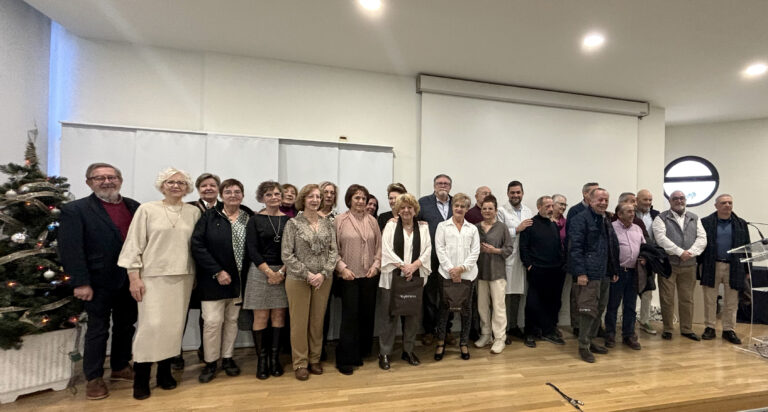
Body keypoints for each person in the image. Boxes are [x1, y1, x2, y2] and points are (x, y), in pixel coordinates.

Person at [59, 162, 140, 400]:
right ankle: (93, 377)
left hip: (129, 280)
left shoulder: (134, 207)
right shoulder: (76, 210)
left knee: (126, 325)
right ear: (89, 182)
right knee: (97, 329)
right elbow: (70, 249)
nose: (106, 182)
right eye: (99, 178)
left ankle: (120, 366)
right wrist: (80, 282)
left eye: (111, 177)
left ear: (120, 180)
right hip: (96, 282)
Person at [118, 167, 201, 400]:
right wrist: (134, 277)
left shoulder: (193, 212)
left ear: (187, 187)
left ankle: (165, 373)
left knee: (174, 328)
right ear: (162, 185)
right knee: (151, 327)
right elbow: (133, 245)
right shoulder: (147, 210)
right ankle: (141, 378)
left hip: (183, 277)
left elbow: (196, 247)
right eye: (170, 182)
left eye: (181, 183)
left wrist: (194, 275)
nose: (176, 186)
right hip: (152, 278)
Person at [191, 179, 254, 383]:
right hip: (213, 280)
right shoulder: (209, 216)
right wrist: (217, 271)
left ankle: (227, 358)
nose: (233, 195)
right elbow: (197, 245)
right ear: (221, 194)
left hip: (239, 281)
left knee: (232, 321)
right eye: (228, 191)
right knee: (211, 322)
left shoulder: (248, 216)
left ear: (242, 195)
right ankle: (211, 362)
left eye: (237, 191)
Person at [281, 184, 338, 381]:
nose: (315, 200)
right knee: (298, 323)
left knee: (317, 321)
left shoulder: (328, 224)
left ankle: (315, 359)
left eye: (318, 197)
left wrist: (323, 273)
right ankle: (300, 362)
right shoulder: (293, 224)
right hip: (298, 279)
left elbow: (334, 252)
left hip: (323, 279)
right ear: (303, 200)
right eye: (311, 197)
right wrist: (307, 274)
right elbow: (287, 255)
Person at [172, 172, 221, 370]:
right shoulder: (188, 208)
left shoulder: (224, 209)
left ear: (218, 189)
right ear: (198, 189)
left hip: (214, 270)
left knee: (208, 315)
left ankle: (206, 350)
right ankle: (175, 352)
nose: (208, 189)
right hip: (189, 267)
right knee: (180, 313)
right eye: (204, 186)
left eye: (212, 185)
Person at [244, 181, 291, 379]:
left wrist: (281, 272)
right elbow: (252, 249)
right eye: (269, 194)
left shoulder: (289, 221)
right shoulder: (254, 220)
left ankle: (274, 359)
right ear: (262, 197)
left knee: (278, 316)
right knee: (261, 317)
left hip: (283, 271)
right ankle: (262, 361)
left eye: (277, 194)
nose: (274, 197)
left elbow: (293, 249)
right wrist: (268, 272)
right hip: (259, 271)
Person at [378, 194, 431, 369]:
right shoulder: (391, 225)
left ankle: (408, 350)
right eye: (402, 207)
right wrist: (403, 267)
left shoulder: (423, 228)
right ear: (397, 210)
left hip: (414, 277)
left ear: (415, 209)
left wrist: (414, 267)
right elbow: (386, 249)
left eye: (409, 207)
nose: (406, 210)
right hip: (392, 277)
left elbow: (427, 250)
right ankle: (384, 352)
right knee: (389, 316)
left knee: (412, 316)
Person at [334, 184, 382, 375]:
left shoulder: (372, 221)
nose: (361, 201)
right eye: (357, 198)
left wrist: (376, 265)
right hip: (349, 276)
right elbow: (333, 248)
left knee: (366, 315)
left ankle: (360, 353)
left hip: (369, 275)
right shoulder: (340, 220)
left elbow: (379, 247)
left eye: (363, 198)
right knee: (349, 317)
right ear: (349, 200)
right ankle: (345, 359)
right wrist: (342, 268)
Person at [569, 188, 619, 363]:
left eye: (606, 200)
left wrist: (613, 270)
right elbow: (574, 249)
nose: (603, 203)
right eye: (600, 200)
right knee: (587, 310)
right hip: (589, 273)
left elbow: (611, 246)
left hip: (604, 272)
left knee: (600, 308)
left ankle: (590, 341)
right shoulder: (579, 220)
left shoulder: (606, 219)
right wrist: (580, 272)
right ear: (590, 200)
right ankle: (583, 346)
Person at [652, 190, 707, 341]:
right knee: (667, 298)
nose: (679, 201)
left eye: (681, 198)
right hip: (668, 265)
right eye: (675, 198)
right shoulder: (661, 218)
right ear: (670, 201)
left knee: (687, 298)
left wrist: (690, 252)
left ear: (685, 200)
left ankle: (687, 329)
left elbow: (702, 238)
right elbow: (661, 239)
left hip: (689, 265)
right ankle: (668, 328)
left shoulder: (694, 218)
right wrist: (679, 252)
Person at [434, 193, 480, 361]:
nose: (459, 209)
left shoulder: (472, 229)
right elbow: (440, 249)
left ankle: (463, 342)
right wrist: (451, 270)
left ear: (467, 209)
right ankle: (440, 342)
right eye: (456, 206)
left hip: (468, 275)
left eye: (463, 206)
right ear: (452, 207)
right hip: (445, 274)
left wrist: (461, 269)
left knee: (466, 310)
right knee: (445, 309)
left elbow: (475, 252)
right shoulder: (442, 226)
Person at [699, 194, 750, 344]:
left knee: (732, 301)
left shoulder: (741, 223)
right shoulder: (706, 222)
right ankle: (710, 327)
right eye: (723, 203)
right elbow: (700, 245)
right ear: (716, 206)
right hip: (711, 265)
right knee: (710, 299)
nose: (727, 205)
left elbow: (747, 248)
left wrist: (747, 270)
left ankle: (729, 329)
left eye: (730, 202)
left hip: (734, 267)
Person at [519, 196, 566, 347]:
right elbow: (524, 247)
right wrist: (529, 265)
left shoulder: (553, 224)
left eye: (552, 206)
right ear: (539, 206)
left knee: (552, 302)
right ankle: (530, 333)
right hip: (537, 270)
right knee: (533, 303)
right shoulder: (530, 224)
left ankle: (548, 331)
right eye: (547, 206)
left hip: (555, 270)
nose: (551, 209)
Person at [418, 174, 454, 346]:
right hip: (430, 258)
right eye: (440, 183)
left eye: (446, 183)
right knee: (430, 296)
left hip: (452, 259)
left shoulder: (458, 203)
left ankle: (446, 330)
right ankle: (430, 331)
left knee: (449, 296)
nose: (443, 186)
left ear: (450, 187)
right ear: (434, 185)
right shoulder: (423, 203)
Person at [474, 194, 513, 354]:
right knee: (482, 306)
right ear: (481, 210)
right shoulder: (475, 227)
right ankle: (486, 334)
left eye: (490, 208)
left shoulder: (502, 227)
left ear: (496, 210)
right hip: (480, 273)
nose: (487, 211)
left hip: (497, 273)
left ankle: (499, 338)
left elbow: (509, 249)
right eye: (484, 208)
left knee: (498, 307)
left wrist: (494, 250)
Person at [497, 180, 533, 344]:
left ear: (522, 193)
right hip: (506, 259)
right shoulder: (501, 211)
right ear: (508, 194)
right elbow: (498, 234)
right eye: (512, 193)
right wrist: (516, 229)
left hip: (522, 260)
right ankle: (501, 330)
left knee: (517, 294)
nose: (515, 195)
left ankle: (513, 326)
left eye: (518, 192)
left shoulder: (528, 211)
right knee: (504, 296)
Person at [606, 203, 645, 350]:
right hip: (617, 272)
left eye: (633, 211)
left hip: (634, 272)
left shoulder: (637, 228)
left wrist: (643, 258)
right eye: (628, 211)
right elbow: (608, 251)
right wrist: (612, 271)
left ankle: (628, 334)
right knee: (612, 305)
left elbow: (643, 247)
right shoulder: (611, 227)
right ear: (620, 214)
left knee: (630, 305)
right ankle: (610, 334)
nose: (632, 214)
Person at [565, 182, 599, 336]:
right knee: (577, 295)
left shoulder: (600, 213)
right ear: (585, 194)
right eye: (594, 192)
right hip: (578, 260)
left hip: (596, 263)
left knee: (595, 297)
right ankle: (578, 325)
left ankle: (593, 327)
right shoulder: (575, 211)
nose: (597, 195)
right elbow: (573, 239)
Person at [635, 189, 660, 335]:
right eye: (645, 200)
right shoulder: (628, 213)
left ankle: (644, 321)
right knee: (630, 291)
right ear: (637, 200)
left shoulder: (656, 215)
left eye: (650, 200)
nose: (648, 203)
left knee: (648, 291)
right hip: (632, 257)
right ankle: (627, 319)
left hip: (650, 258)